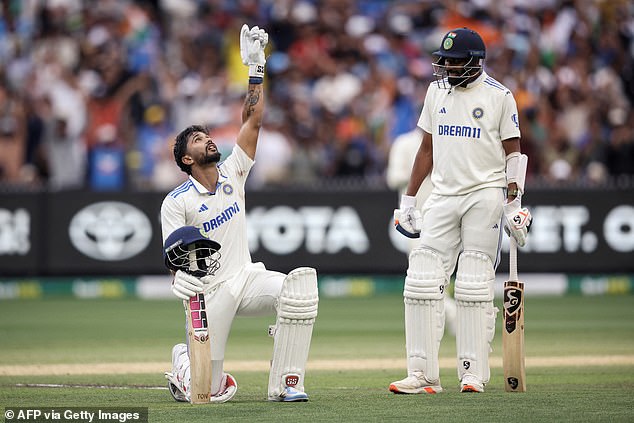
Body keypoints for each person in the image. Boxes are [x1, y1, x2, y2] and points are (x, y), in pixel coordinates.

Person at [160, 24, 319, 403]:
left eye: (207, 135)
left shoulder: (233, 172)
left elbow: (253, 120)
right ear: (187, 159)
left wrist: (256, 69)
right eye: (198, 140)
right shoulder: (176, 201)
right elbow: (174, 253)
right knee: (208, 393)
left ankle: (286, 384)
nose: (208, 139)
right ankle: (184, 359)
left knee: (298, 293)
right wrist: (178, 278)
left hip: (247, 278)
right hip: (211, 291)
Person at [389, 27, 532, 394]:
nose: (448, 67)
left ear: (475, 61)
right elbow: (426, 149)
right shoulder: (436, 90)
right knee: (420, 277)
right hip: (443, 193)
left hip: (485, 193)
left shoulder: (500, 96)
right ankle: (422, 374)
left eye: (456, 61)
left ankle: (472, 373)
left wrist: (515, 203)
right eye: (445, 61)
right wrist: (408, 200)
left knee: (473, 281)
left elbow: (514, 153)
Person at [386, 127, 457, 336]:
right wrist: (423, 167)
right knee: (422, 275)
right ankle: (453, 319)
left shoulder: (448, 140)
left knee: (441, 274)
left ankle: (448, 321)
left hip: (445, 215)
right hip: (416, 221)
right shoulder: (404, 143)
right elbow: (394, 178)